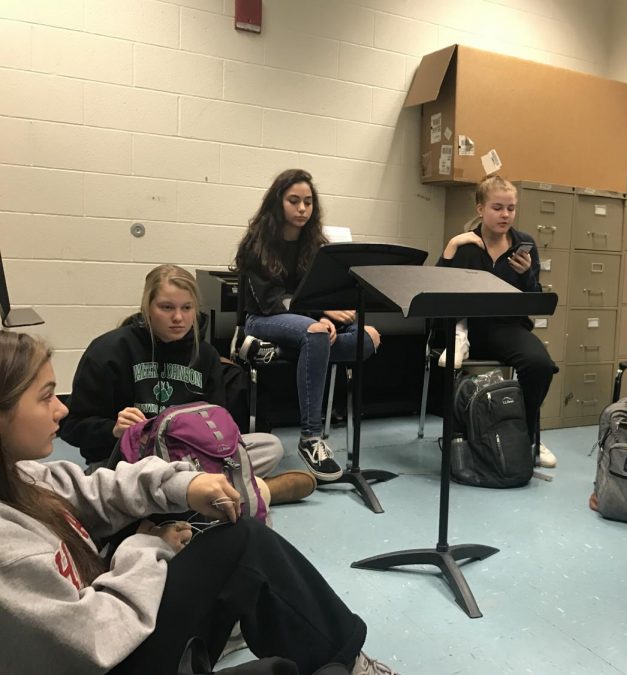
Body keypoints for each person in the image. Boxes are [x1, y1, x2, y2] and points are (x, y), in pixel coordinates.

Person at [0, 331, 398, 675]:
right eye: (46, 397)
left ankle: (335, 654)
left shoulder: (23, 477)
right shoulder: (8, 553)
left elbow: (96, 489)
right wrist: (149, 546)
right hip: (107, 650)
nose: (61, 408)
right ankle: (345, 657)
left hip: (111, 620)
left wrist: (185, 484)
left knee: (226, 519)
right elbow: (94, 638)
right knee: (241, 546)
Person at [60, 264, 316, 506]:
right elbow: (72, 427)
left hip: (188, 458)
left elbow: (219, 422)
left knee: (270, 446)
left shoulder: (205, 355)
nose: (178, 318)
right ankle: (252, 491)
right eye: (166, 307)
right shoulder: (109, 350)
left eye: (187, 308)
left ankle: (183, 497)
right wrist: (113, 429)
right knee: (122, 479)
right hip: (127, 460)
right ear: (147, 307)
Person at [234, 169, 380, 482]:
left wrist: (326, 316)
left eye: (308, 202)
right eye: (294, 201)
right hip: (262, 319)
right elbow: (270, 304)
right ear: (278, 203)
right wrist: (321, 314)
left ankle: (285, 349)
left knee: (367, 339)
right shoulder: (256, 243)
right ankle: (310, 438)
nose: (302, 208)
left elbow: (324, 292)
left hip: (307, 325)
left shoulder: (317, 244)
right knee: (314, 334)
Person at [437, 175, 558, 468]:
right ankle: (462, 434)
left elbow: (533, 298)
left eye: (511, 208)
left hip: (507, 327)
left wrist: (528, 274)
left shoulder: (524, 245)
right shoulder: (466, 247)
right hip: (466, 327)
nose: (505, 215)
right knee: (450, 355)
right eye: (497, 208)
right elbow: (437, 290)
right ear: (480, 209)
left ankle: (526, 434)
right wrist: (452, 245)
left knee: (540, 365)